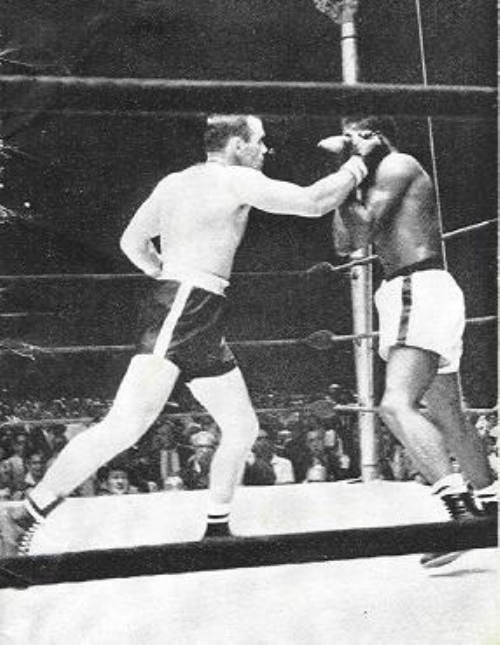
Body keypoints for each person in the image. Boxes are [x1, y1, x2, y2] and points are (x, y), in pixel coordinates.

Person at [1, 113, 381, 555]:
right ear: (237, 144)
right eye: (259, 141)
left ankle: (217, 530)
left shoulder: (174, 182)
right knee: (125, 425)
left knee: (242, 426)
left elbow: (132, 242)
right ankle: (25, 514)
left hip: (194, 307)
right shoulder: (235, 179)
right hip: (185, 306)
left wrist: (166, 273)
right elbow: (313, 202)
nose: (265, 149)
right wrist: (360, 162)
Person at [329, 115, 496, 569]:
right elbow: (346, 243)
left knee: (394, 404)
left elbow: (364, 228)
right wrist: (347, 178)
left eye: (358, 135)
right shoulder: (367, 182)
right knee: (447, 412)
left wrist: (352, 169)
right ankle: (493, 506)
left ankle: (461, 513)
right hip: (418, 291)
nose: (351, 142)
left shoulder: (398, 164)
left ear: (378, 136)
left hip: (416, 287)